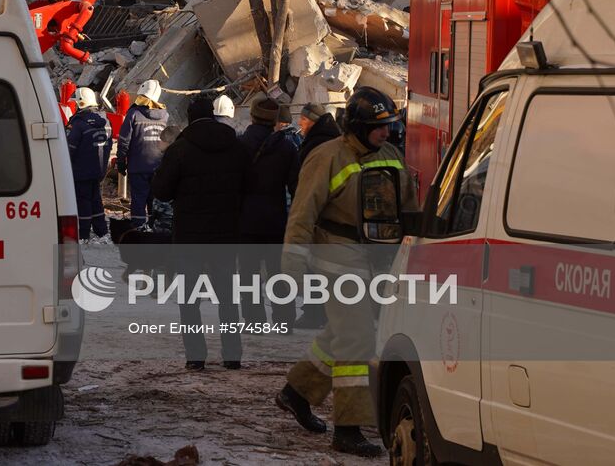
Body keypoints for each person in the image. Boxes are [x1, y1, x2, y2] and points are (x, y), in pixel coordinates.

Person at [274, 87, 417, 458]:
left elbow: (408, 207)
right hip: (335, 261)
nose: (386, 133)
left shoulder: (391, 156)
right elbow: (302, 215)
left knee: (340, 333)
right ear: (357, 127)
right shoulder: (327, 158)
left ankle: (296, 393)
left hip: (377, 260)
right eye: (378, 127)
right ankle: (348, 428)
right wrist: (292, 266)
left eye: (388, 126)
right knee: (357, 340)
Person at [150, 91, 250, 370]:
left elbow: (162, 191)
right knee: (228, 298)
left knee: (189, 299)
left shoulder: (180, 150)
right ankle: (232, 355)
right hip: (226, 234)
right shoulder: (237, 147)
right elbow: (250, 184)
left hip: (189, 236)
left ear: (190, 119)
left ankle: (196, 356)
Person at [237, 97, 303, 325]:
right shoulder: (286, 147)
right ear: (275, 120)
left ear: (252, 116)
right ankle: (284, 319)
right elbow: (296, 187)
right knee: (278, 272)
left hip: (246, 219)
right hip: (276, 218)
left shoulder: (241, 145)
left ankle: (254, 320)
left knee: (249, 273)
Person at [116, 79, 168, 228]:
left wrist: (121, 162)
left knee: (138, 200)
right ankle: (153, 228)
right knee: (154, 200)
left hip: (137, 167)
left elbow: (124, 140)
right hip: (157, 167)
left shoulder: (133, 113)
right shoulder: (165, 115)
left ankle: (139, 229)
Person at [65, 87, 112, 243]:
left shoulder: (77, 124)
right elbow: (108, 145)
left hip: (80, 172)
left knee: (83, 201)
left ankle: (83, 233)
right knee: (96, 199)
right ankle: (101, 231)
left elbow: (69, 149)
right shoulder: (105, 121)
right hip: (98, 171)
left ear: (80, 103)